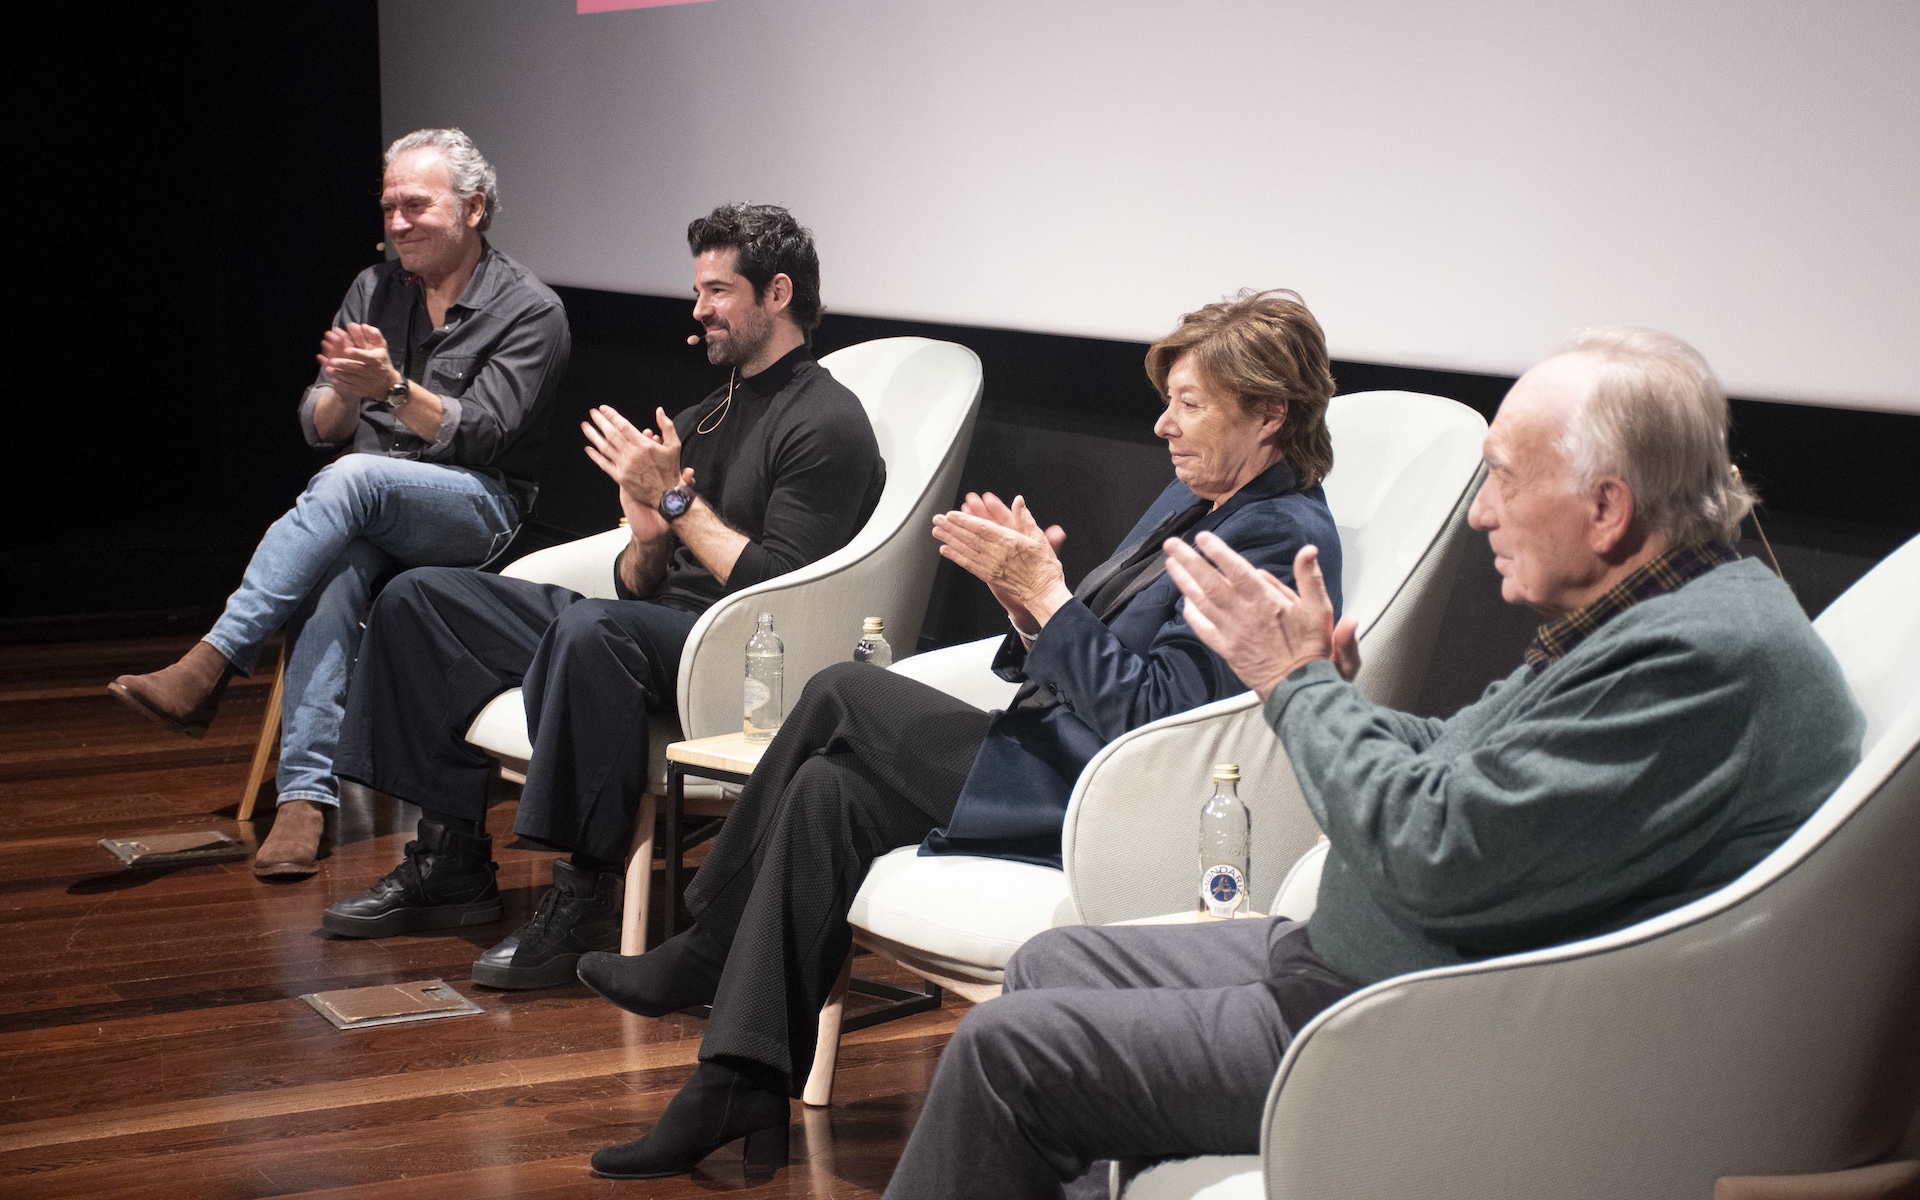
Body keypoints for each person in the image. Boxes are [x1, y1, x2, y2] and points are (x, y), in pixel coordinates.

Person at [882, 328, 1866, 1200]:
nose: (1480, 513)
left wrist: (1296, 685)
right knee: (1054, 959)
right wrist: (1323, 693)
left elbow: (1428, 843)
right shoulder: (1644, 614)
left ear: (1605, 507)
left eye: (1505, 478)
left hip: (1423, 1025)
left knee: (1007, 1051)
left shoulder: (1694, 660)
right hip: (1368, 965)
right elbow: (1455, 757)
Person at [574, 288, 1347, 1181]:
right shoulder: (1197, 498)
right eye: (1168, 399)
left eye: (1191, 403)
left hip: (1104, 800)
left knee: (842, 691)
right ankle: (735, 1082)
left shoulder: (1280, 535)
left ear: (1270, 412)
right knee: (827, 795)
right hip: (1049, 754)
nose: (1165, 424)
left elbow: (1157, 716)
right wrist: (1029, 609)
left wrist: (1053, 597)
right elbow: (1085, 654)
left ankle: (705, 943)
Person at [319, 203, 887, 993]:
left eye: (718, 291)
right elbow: (633, 586)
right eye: (698, 291)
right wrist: (649, 532)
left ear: (778, 293)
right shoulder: (700, 417)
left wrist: (680, 508)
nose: (699, 311)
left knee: (594, 633)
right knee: (421, 600)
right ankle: (451, 862)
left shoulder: (827, 423)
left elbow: (773, 593)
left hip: (743, 651)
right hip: (654, 628)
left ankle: (586, 893)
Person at [107, 129, 572, 879]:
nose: (397, 224)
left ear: (474, 208)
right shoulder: (374, 287)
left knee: (352, 484)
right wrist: (344, 398)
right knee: (335, 563)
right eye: (388, 207)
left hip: (479, 509)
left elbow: (483, 437)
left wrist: (389, 388)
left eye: (415, 206)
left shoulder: (531, 310)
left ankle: (215, 660)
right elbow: (318, 426)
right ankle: (304, 800)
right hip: (364, 500)